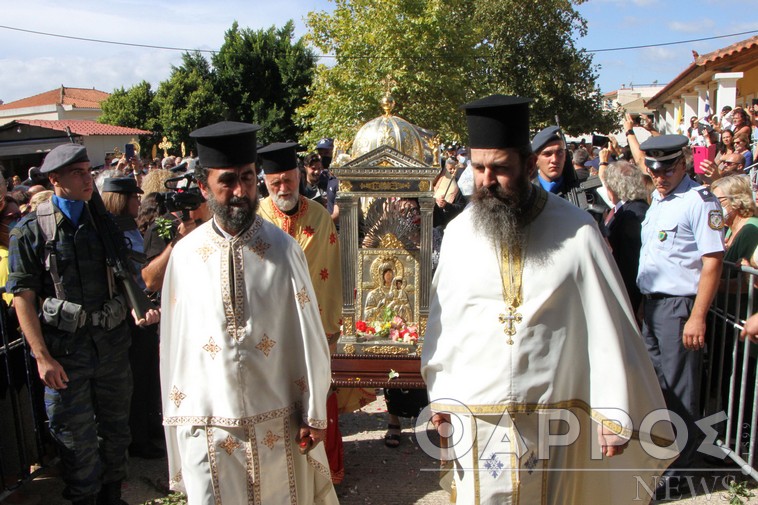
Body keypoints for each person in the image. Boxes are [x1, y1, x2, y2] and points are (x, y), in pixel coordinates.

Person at [421, 95, 674, 504]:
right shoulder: (459, 234)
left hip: (559, 415)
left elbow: (608, 324)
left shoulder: (577, 231)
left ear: (526, 163)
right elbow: (443, 323)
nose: (487, 180)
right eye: (479, 166)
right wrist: (441, 395)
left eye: (500, 168)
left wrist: (614, 410)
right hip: (479, 414)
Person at [159, 122, 338, 504]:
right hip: (209, 428)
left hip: (277, 424)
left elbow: (308, 335)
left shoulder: (283, 249)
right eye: (227, 181)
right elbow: (172, 347)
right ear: (205, 187)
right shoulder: (185, 257)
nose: (241, 192)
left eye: (247, 178)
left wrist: (314, 413)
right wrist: (178, 422)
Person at [7, 144, 159, 505]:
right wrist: (42, 357)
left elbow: (126, 274)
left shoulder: (102, 222)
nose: (87, 179)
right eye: (77, 173)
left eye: (89, 171)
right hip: (65, 353)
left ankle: (111, 495)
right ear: (55, 179)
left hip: (110, 347)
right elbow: (23, 298)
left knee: (116, 430)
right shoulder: (31, 231)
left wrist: (136, 307)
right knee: (74, 437)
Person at [636, 134, 725, 485]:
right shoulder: (659, 199)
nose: (661, 175)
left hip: (680, 308)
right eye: (654, 169)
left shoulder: (699, 200)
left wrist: (698, 315)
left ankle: (683, 472)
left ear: (682, 164)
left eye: (668, 168)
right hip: (655, 306)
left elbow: (713, 261)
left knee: (681, 393)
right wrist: (645, 302)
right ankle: (665, 459)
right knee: (659, 389)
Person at [255, 141, 344, 484]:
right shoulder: (256, 218)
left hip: (312, 329)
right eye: (275, 183)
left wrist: (330, 331)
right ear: (264, 181)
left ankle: (326, 475)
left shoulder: (320, 217)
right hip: (269, 331)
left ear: (298, 176)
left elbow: (331, 273)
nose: (283, 189)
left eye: (288, 180)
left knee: (319, 400)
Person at [602, 160, 650, 315]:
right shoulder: (629, 209)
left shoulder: (633, 215)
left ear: (613, 187)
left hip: (629, 295)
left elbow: (631, 262)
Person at [530, 125, 579, 199]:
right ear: (535, 160)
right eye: (547, 154)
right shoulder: (526, 195)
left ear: (565, 156)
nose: (554, 160)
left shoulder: (583, 191)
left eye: (560, 153)